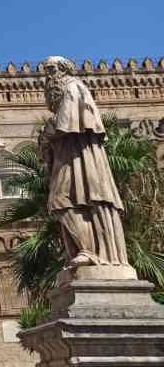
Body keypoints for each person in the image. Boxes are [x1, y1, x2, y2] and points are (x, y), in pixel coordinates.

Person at [39, 56, 128, 268]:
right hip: (70, 156)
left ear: (64, 70)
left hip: (80, 158)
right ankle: (85, 250)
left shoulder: (73, 88)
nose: (48, 77)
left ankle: (89, 251)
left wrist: (48, 133)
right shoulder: (68, 91)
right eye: (46, 72)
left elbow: (65, 124)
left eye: (51, 70)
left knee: (63, 200)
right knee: (67, 200)